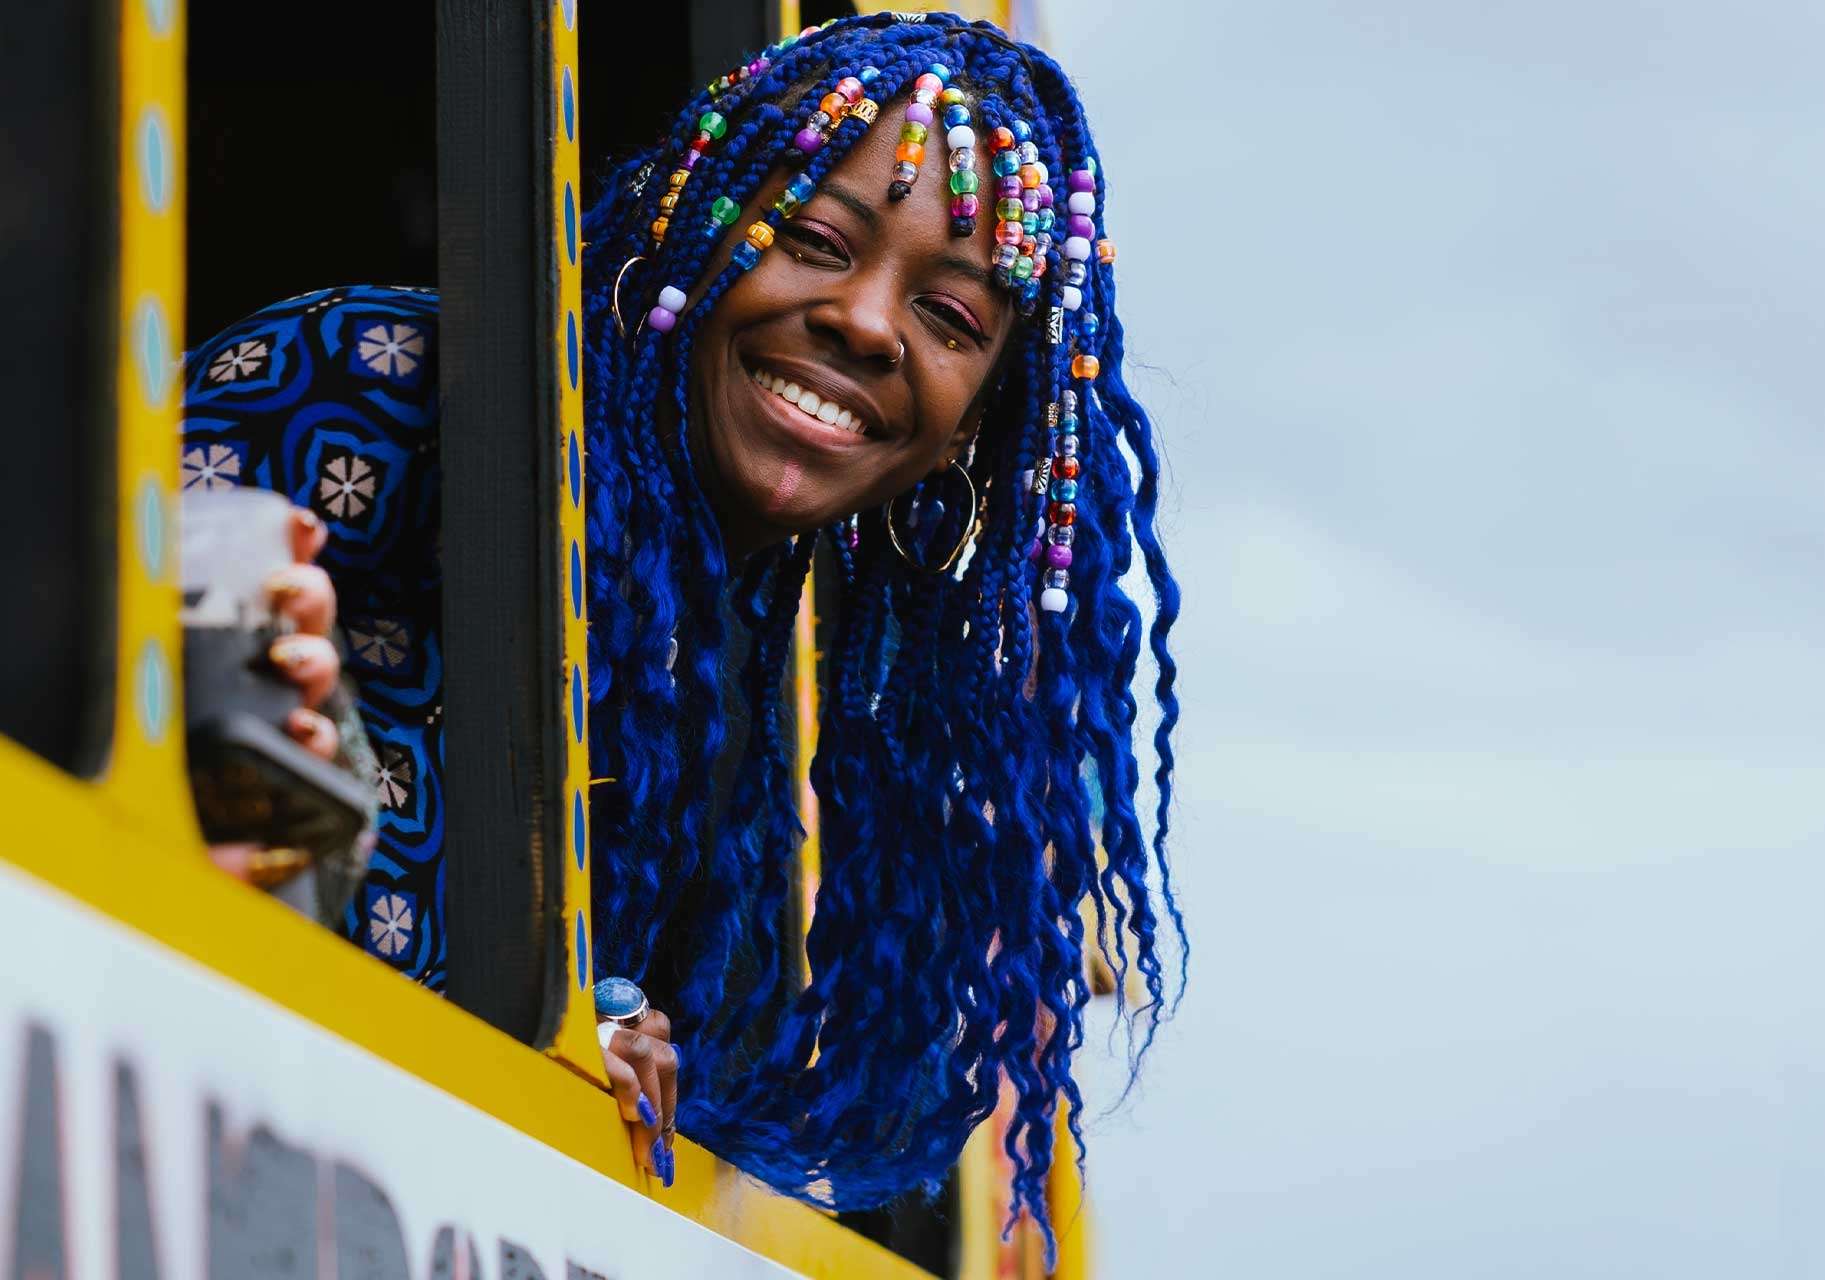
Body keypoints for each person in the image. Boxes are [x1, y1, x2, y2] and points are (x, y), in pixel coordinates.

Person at [180, 12, 1181, 1244]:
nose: (868, 323)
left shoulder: (753, 673)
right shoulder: (373, 383)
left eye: (954, 319)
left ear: (975, 426)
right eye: (815, 238)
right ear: (692, 218)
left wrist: (605, 1016)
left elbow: (573, 946)